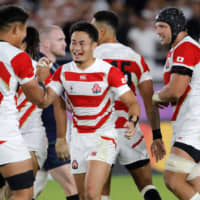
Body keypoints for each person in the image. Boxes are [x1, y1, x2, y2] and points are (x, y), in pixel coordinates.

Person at [38, 21, 141, 200]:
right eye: (73, 42)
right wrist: (43, 80)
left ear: (94, 45)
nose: (76, 48)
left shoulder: (108, 72)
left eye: (81, 43)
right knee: (83, 196)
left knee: (93, 194)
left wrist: (132, 122)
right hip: (78, 140)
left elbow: (132, 102)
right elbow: (47, 101)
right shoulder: (62, 72)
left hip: (103, 137)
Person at [91, 10, 166, 200]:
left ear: (101, 31)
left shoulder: (89, 58)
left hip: (100, 130)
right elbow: (149, 102)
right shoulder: (135, 57)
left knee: (101, 193)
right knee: (147, 187)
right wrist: (156, 135)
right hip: (129, 129)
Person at [0, 5, 50, 200]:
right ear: (16, 29)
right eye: (23, 29)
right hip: (5, 134)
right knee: (22, 192)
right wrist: (41, 80)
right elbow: (38, 98)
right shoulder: (17, 57)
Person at [153, 7, 200, 200]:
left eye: (162, 26)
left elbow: (176, 89)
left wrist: (156, 97)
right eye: (157, 27)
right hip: (188, 122)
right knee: (193, 182)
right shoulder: (177, 50)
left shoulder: (186, 48)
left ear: (177, 26)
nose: (158, 31)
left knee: (173, 179)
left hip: (194, 124)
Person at [33, 25, 79, 200]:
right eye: (60, 40)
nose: (65, 44)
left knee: (31, 189)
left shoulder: (54, 68)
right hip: (45, 137)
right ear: (46, 43)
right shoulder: (38, 66)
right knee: (72, 184)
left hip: (48, 136)